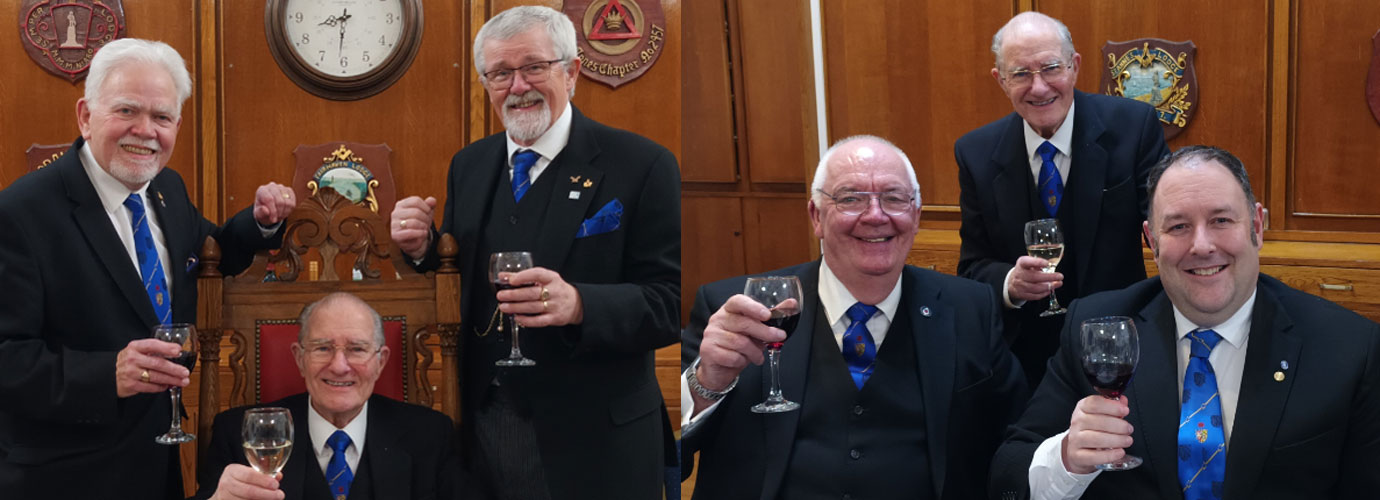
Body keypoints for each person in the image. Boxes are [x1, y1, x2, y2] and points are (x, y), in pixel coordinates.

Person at [388, 6, 680, 499]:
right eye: (501, 73)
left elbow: (670, 303)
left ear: (571, 71)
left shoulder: (643, 164)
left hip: (599, 443)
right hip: (487, 427)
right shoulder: (470, 165)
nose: (517, 85)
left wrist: (581, 304)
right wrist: (423, 250)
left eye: (534, 67)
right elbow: (458, 277)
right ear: (486, 83)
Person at [989, 146, 1380, 499]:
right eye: (1178, 226)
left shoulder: (1348, 348)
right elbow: (1007, 474)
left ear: (1257, 227)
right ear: (1151, 241)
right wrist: (1067, 459)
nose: (1202, 245)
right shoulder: (1096, 329)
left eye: (1222, 220)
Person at [0, 38, 295, 498]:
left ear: (177, 124)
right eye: (126, 111)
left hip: (156, 468)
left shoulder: (167, 189)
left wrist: (260, 223)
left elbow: (209, 252)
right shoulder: (21, 212)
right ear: (85, 115)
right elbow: (7, 357)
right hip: (62, 478)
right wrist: (107, 374)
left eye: (161, 117)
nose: (145, 131)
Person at [680, 135, 1027, 499]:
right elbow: (667, 457)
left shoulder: (971, 309)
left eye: (894, 198)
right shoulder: (736, 311)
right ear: (816, 216)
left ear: (916, 216)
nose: (875, 215)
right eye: (851, 199)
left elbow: (1017, 439)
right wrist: (707, 385)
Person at [955, 12, 1170, 387]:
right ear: (1000, 81)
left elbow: (1169, 226)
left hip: (1122, 354)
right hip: (1022, 365)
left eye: (1051, 68)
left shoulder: (1133, 128)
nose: (1039, 88)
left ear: (1074, 67)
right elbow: (973, 268)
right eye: (1021, 74)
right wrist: (1010, 283)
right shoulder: (975, 153)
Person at [193, 293, 461, 500]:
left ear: (381, 361)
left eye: (357, 349)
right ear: (300, 358)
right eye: (322, 348)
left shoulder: (431, 435)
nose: (339, 366)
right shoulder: (239, 435)